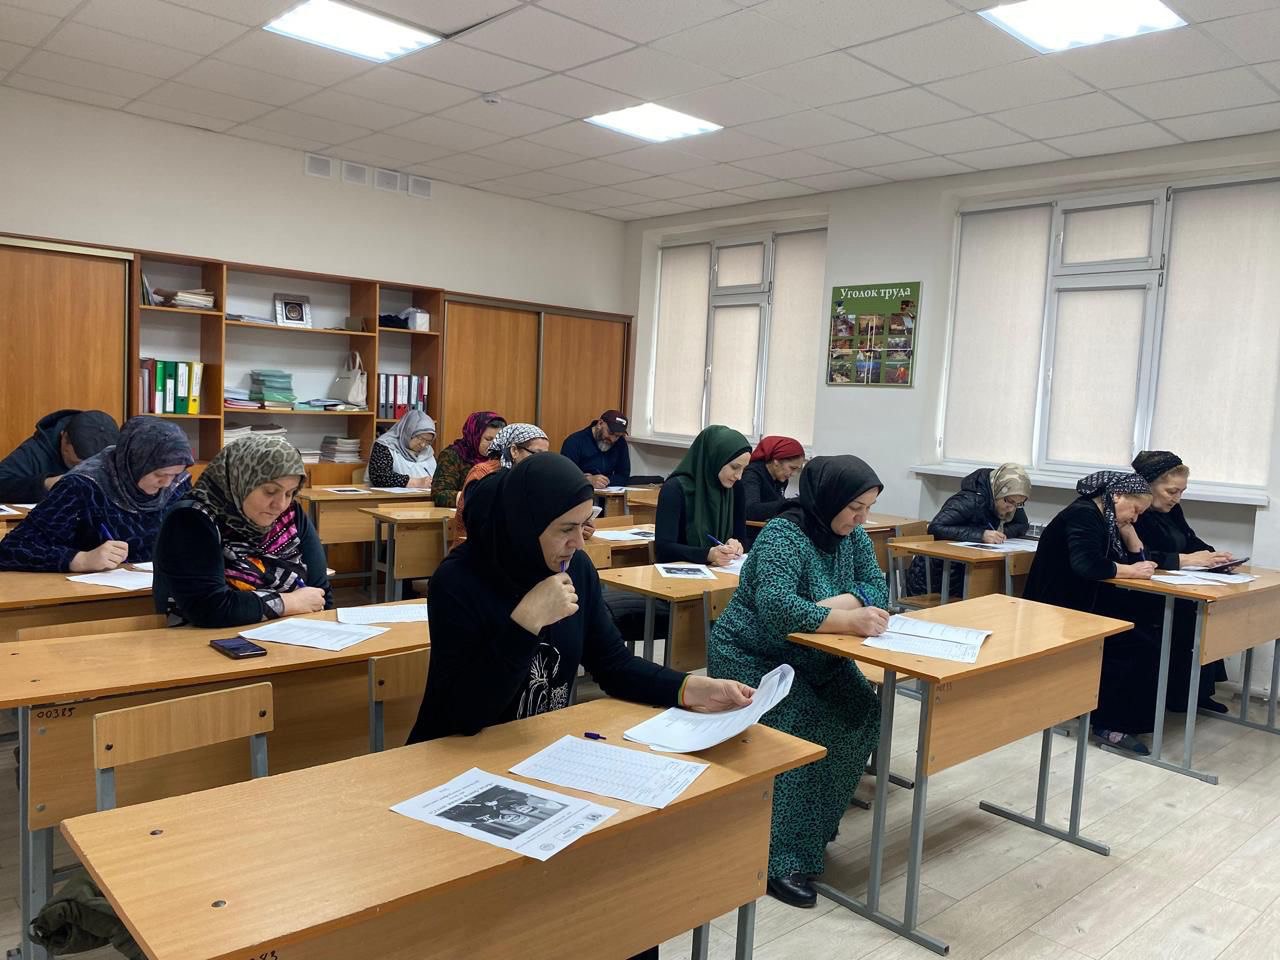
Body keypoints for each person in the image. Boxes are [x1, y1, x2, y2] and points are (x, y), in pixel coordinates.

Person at [409, 452, 755, 954]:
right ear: (526, 524)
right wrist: (526, 621)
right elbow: (464, 714)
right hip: (459, 766)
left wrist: (690, 689)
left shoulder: (577, 570)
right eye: (565, 530)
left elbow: (612, 664)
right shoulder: (459, 581)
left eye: (585, 525)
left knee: (621, 899)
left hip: (541, 759)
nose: (579, 542)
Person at [708, 456, 890, 908]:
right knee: (804, 725)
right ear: (828, 498)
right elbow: (777, 609)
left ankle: (811, 832)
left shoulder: (853, 537)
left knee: (862, 711)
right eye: (855, 508)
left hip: (816, 654)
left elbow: (879, 588)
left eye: (867, 509)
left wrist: (827, 610)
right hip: (755, 655)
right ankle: (777, 860)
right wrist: (848, 617)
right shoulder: (783, 535)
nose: (861, 519)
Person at [1022, 471, 1158, 754]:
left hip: (1082, 602)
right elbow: (1088, 565)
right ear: (1117, 496)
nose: (1135, 518)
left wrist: (1132, 537)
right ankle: (1108, 724)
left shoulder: (1107, 518)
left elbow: (1131, 561)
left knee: (1145, 631)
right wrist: (1131, 571)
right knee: (1132, 644)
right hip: (1055, 607)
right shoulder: (1083, 515)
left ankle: (1113, 716)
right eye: (1135, 510)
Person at [153, 435, 332, 627]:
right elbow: (208, 608)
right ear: (239, 480)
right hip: (202, 639)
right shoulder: (191, 518)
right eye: (270, 491)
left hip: (291, 634)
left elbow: (320, 594)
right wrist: (290, 602)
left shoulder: (291, 514)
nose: (280, 504)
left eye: (290, 493)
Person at [0, 417, 191, 573]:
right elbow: (12, 548)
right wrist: (81, 560)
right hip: (87, 594)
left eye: (175, 475)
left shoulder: (178, 484)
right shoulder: (82, 486)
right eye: (159, 474)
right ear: (136, 463)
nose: (167, 483)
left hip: (157, 587)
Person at [1130, 450, 1234, 713]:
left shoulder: (1172, 510)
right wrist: (1184, 560)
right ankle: (1178, 695)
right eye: (1171, 491)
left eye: (1181, 492)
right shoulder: (1135, 513)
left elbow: (1190, 539)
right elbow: (1140, 555)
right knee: (1186, 618)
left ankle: (1197, 692)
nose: (1177, 498)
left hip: (1177, 585)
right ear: (1148, 485)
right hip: (1144, 592)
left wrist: (1214, 557)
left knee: (1206, 614)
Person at [906, 463, 1032, 599]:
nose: (1012, 508)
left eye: (1019, 504)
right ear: (998, 490)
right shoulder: (969, 499)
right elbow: (936, 527)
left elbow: (1022, 524)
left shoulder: (1011, 501)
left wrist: (1000, 533)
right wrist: (981, 535)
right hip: (935, 578)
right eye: (1009, 501)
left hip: (965, 574)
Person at [655, 425, 750, 567]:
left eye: (744, 469)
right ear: (715, 458)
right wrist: (707, 554)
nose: (739, 476)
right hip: (682, 573)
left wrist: (737, 545)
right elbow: (663, 550)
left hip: (723, 572)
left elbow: (742, 538)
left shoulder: (736, 488)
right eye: (735, 467)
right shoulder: (675, 489)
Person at [454, 423, 549, 544]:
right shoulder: (483, 473)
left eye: (545, 455)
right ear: (514, 451)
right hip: (477, 545)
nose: (541, 461)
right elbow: (477, 519)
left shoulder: (532, 477)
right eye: (536, 454)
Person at [0, 408, 119, 503]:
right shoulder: (38, 450)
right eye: (76, 464)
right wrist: (46, 483)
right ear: (64, 438)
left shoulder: (116, 455)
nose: (83, 469)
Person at [432, 411, 505, 507]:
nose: (494, 444)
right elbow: (439, 494)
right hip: (463, 511)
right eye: (488, 439)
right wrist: (474, 497)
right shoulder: (452, 455)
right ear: (475, 436)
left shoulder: (502, 457)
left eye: (498, 440)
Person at [741, 436, 805, 544]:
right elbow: (750, 510)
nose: (793, 474)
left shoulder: (781, 478)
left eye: (797, 470)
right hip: (749, 537)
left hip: (768, 533)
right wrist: (789, 503)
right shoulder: (752, 475)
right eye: (792, 468)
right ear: (776, 462)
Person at [560, 410, 631, 489]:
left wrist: (603, 481)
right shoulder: (574, 442)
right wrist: (587, 480)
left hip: (609, 493)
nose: (612, 439)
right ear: (600, 423)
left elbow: (624, 476)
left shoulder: (621, 443)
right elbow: (565, 476)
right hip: (581, 492)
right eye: (610, 433)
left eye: (617, 436)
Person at [368, 410, 436, 488]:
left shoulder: (427, 451)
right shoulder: (386, 445)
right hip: (389, 495)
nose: (423, 444)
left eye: (428, 441)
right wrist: (416, 483)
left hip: (425, 494)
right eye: (420, 438)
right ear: (408, 431)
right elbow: (380, 477)